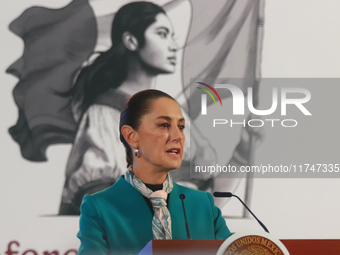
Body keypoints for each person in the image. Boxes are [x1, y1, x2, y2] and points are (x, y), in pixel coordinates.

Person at [59, 1, 219, 215]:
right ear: (131, 41)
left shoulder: (176, 114)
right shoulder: (106, 112)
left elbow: (205, 189)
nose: (173, 46)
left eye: (173, 36)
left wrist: (242, 153)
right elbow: (100, 199)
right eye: (162, 34)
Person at [77, 89, 232, 255]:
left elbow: (236, 250)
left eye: (180, 127)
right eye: (164, 125)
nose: (178, 136)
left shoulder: (203, 204)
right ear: (131, 136)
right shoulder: (100, 207)